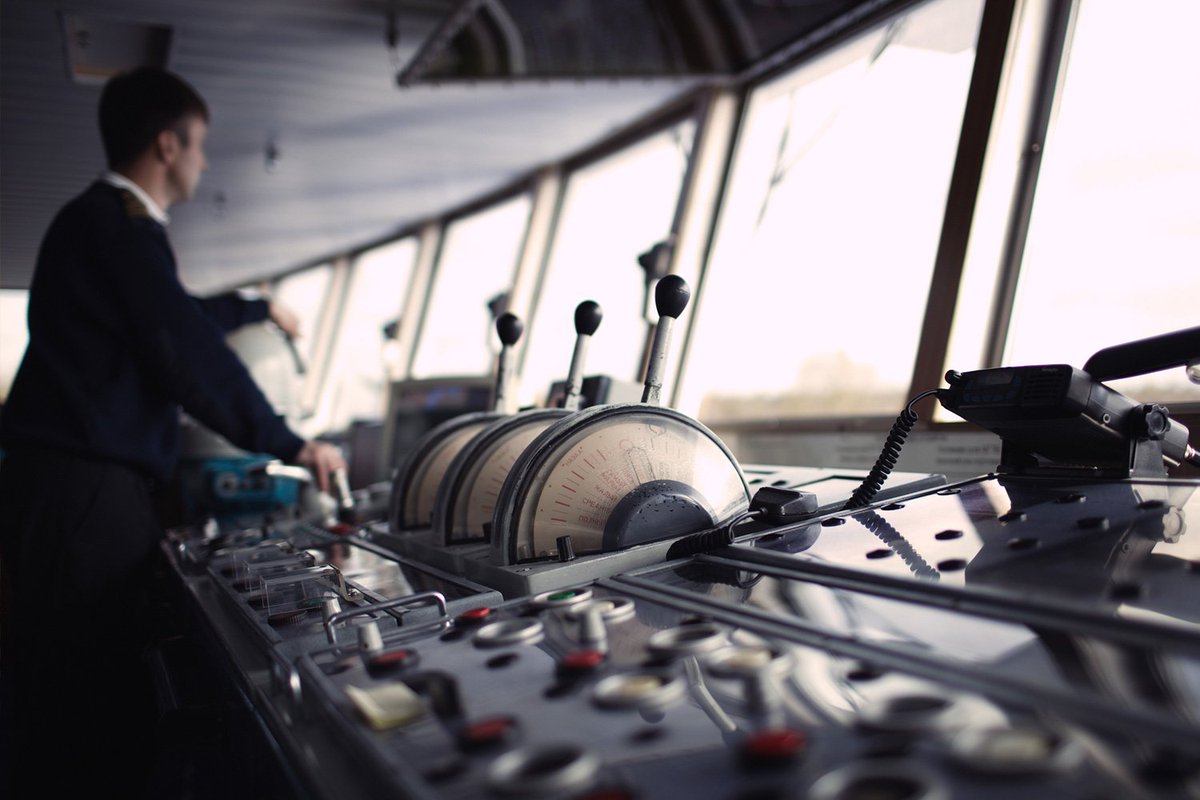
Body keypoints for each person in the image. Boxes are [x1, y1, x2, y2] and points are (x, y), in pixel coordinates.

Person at [0, 67, 345, 797]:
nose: (205, 162)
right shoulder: (115, 226)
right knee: (82, 689)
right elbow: (184, 352)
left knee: (69, 680)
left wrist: (254, 307)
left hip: (68, 487)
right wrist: (292, 443)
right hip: (83, 494)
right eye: (200, 146)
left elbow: (172, 318)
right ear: (167, 143)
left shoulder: (100, 227)